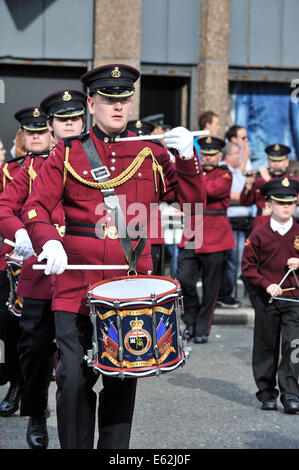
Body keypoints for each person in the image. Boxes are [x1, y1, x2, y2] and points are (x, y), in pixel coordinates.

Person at [20, 63, 206, 449]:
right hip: (75, 286)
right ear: (91, 102)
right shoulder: (68, 153)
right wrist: (47, 241)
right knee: (72, 378)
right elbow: (37, 206)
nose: (118, 107)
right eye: (108, 100)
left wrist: (188, 159)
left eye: (124, 99)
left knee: (122, 382)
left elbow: (192, 210)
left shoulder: (152, 153)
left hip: (130, 287)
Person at [0, 92, 87, 449]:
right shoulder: (29, 169)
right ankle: (36, 414)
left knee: (80, 360)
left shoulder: (98, 162)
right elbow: (5, 206)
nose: (69, 125)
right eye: (61, 120)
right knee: (34, 352)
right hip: (40, 275)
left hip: (82, 272)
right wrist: (18, 232)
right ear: (50, 130)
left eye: (75, 118)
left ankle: (78, 426)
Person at [242, 177, 299, 413]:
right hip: (267, 299)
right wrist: (266, 285)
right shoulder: (259, 234)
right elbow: (247, 268)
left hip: (294, 298)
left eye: (291, 202)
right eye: (280, 202)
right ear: (268, 204)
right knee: (266, 346)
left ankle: (291, 393)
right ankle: (266, 391)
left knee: (293, 344)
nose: (286, 207)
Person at [177, 136, 235, 344]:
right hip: (193, 233)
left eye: (212, 154)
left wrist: (194, 176)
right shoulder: (196, 172)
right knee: (183, 280)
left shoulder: (225, 174)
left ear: (220, 156)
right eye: (205, 154)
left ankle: (202, 329)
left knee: (211, 287)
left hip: (215, 236)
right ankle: (190, 320)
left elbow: (207, 191)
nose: (208, 158)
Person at [217, 142, 253, 308]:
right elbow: (235, 193)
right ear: (229, 155)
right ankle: (225, 294)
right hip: (231, 223)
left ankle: (226, 293)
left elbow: (246, 191)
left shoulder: (236, 171)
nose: (240, 156)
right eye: (238, 153)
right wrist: (246, 196)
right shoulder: (224, 170)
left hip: (244, 223)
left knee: (237, 261)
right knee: (233, 261)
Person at [240, 144, 294, 229]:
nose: (276, 164)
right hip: (261, 224)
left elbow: (285, 193)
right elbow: (245, 202)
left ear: (286, 162)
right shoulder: (260, 181)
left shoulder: (293, 181)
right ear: (268, 162)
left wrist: (269, 179)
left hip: (283, 224)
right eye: (273, 161)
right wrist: (248, 185)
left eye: (279, 161)